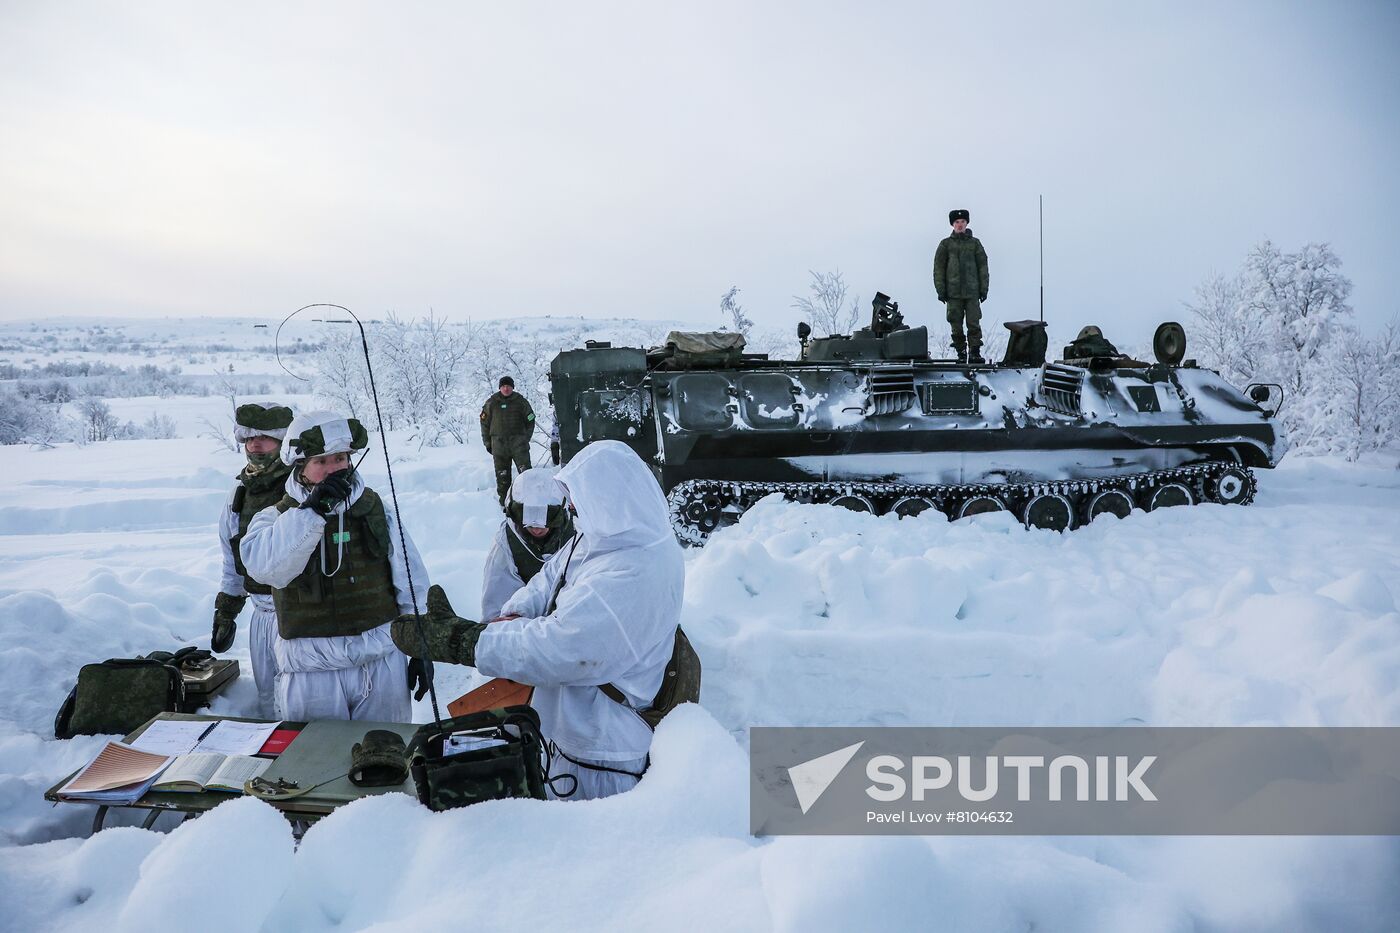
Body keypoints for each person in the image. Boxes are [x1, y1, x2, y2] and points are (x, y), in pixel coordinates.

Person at [391, 440, 684, 800]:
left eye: (577, 497)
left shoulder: (634, 572)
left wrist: (467, 642)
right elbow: (548, 580)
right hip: (571, 737)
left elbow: (560, 649)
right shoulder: (605, 538)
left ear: (607, 497)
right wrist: (511, 618)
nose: (572, 507)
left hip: (602, 754)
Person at [240, 410, 432, 722]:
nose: (334, 469)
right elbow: (266, 568)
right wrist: (312, 513)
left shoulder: (374, 510)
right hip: (311, 673)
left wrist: (421, 646)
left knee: (388, 755)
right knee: (317, 764)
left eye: (340, 458)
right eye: (322, 461)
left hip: (380, 664)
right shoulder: (275, 518)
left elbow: (411, 583)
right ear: (301, 466)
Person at [213, 402, 295, 717]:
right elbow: (232, 563)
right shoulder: (239, 495)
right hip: (261, 615)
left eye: (265, 438)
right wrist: (226, 613)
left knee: (298, 702)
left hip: (299, 613)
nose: (255, 445)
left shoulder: (301, 489)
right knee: (268, 701)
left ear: (284, 441)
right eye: (249, 438)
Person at [480, 468, 576, 622]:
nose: (537, 527)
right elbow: (495, 612)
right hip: (522, 631)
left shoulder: (576, 533)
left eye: (548, 517)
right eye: (527, 517)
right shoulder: (506, 545)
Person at [933, 208, 990, 365]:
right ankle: (960, 352)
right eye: (957, 222)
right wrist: (941, 290)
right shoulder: (946, 244)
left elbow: (983, 267)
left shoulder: (975, 244)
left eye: (963, 222)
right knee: (955, 324)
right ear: (952, 224)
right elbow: (939, 268)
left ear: (967, 223)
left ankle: (974, 352)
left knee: (973, 323)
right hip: (953, 293)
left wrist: (984, 289)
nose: (960, 225)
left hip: (972, 292)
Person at [480, 376, 536, 504]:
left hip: (519, 446)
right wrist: (488, 443)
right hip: (499, 447)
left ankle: (529, 501)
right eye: (503, 386)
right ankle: (505, 504)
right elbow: (484, 423)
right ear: (500, 387)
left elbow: (531, 419)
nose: (506, 388)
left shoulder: (520, 401)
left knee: (526, 474)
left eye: (508, 386)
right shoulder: (492, 402)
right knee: (502, 476)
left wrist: (525, 438)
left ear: (512, 387)